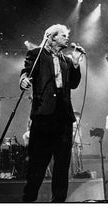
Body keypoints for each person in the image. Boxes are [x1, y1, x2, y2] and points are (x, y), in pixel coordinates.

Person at [20, 24, 84, 202]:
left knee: (62, 164)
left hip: (63, 118)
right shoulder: (36, 54)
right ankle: (29, 199)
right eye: (63, 35)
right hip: (43, 116)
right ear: (51, 37)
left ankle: (58, 201)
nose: (67, 38)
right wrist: (24, 81)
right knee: (37, 163)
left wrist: (77, 62)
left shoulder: (67, 60)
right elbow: (26, 72)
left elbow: (73, 84)